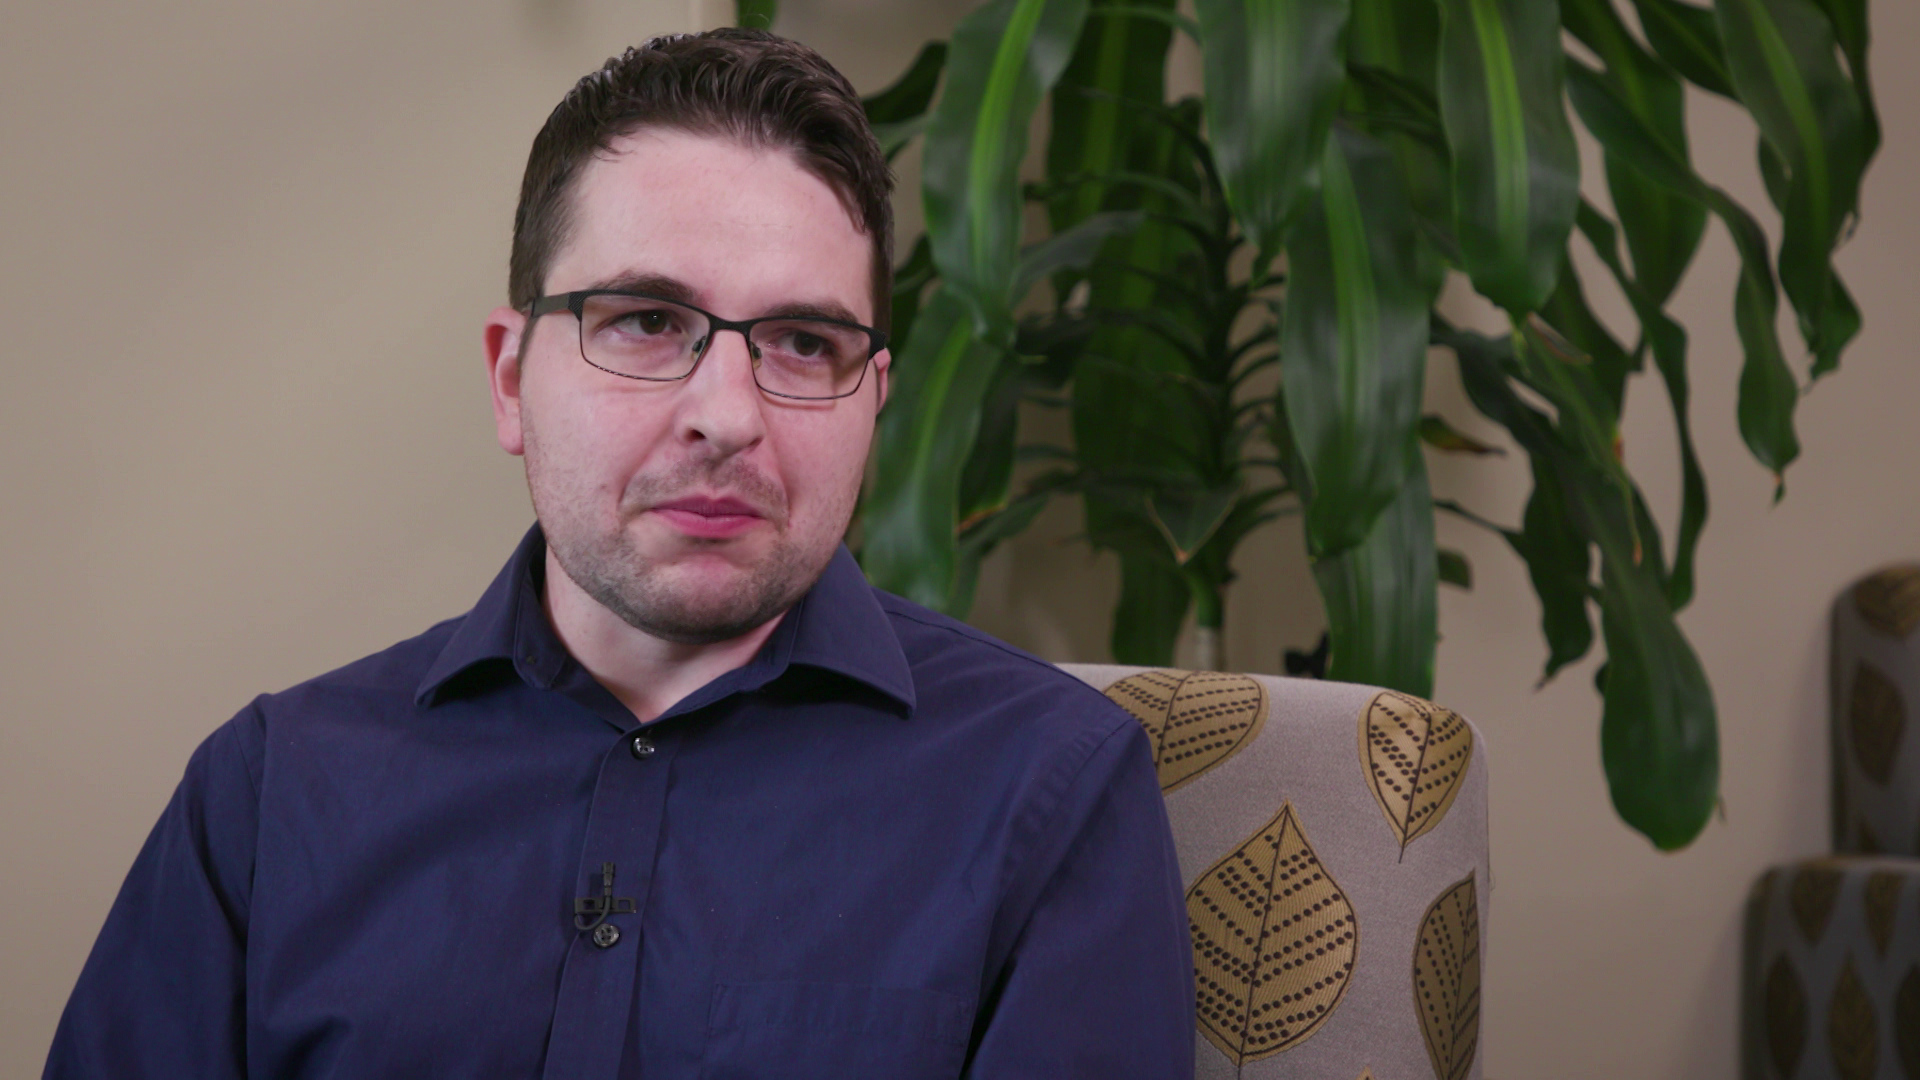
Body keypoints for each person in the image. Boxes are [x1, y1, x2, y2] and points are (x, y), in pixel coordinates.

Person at [42, 27, 1193, 1080]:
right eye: (647, 320)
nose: (727, 415)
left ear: (871, 399)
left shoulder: (1052, 788)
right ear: (510, 377)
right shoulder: (267, 794)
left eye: (803, 342)